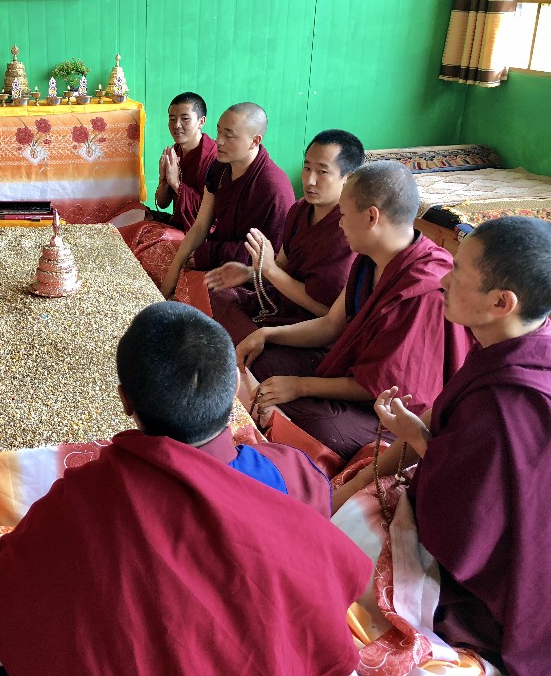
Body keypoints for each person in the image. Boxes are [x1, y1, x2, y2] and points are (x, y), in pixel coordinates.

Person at [0, 302, 370, 675]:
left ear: (124, 400)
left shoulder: (80, 496)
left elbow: (11, 573)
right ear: (234, 385)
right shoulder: (287, 473)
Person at [335, 217, 551, 675]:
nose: (444, 280)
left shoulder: (506, 407)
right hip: (474, 503)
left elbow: (464, 533)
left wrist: (418, 440)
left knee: (346, 545)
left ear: (501, 302)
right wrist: (417, 433)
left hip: (498, 587)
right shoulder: (523, 342)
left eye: (458, 272)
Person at [237, 161, 470, 460]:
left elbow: (386, 386)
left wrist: (300, 386)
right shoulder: (370, 258)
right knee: (263, 359)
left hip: (392, 411)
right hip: (356, 373)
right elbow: (331, 324)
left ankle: (288, 425)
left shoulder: (424, 289)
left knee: (321, 426)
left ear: (371, 217)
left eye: (344, 215)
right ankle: (281, 418)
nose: (339, 224)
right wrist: (267, 334)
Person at [207, 129, 363, 344]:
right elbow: (282, 265)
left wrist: (269, 270)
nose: (310, 180)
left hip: (312, 328)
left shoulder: (349, 228)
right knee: (215, 297)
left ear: (348, 178)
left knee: (247, 348)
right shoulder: (300, 209)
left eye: (322, 172)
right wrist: (249, 273)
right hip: (280, 304)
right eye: (307, 168)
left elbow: (327, 312)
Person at [160, 102, 295, 298]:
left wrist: (212, 254)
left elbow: (276, 262)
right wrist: (170, 278)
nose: (219, 141)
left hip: (249, 276)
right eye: (219, 131)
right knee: (162, 257)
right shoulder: (219, 168)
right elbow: (200, 226)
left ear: (255, 141)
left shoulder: (274, 188)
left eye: (229, 135)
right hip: (217, 256)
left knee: (209, 298)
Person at [151, 92, 217, 231]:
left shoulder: (214, 158)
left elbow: (211, 213)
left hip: (204, 232)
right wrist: (164, 180)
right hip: (178, 223)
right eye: (172, 119)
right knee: (135, 213)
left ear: (201, 121)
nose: (177, 125)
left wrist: (176, 183)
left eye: (185, 119)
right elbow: (162, 204)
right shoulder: (174, 152)